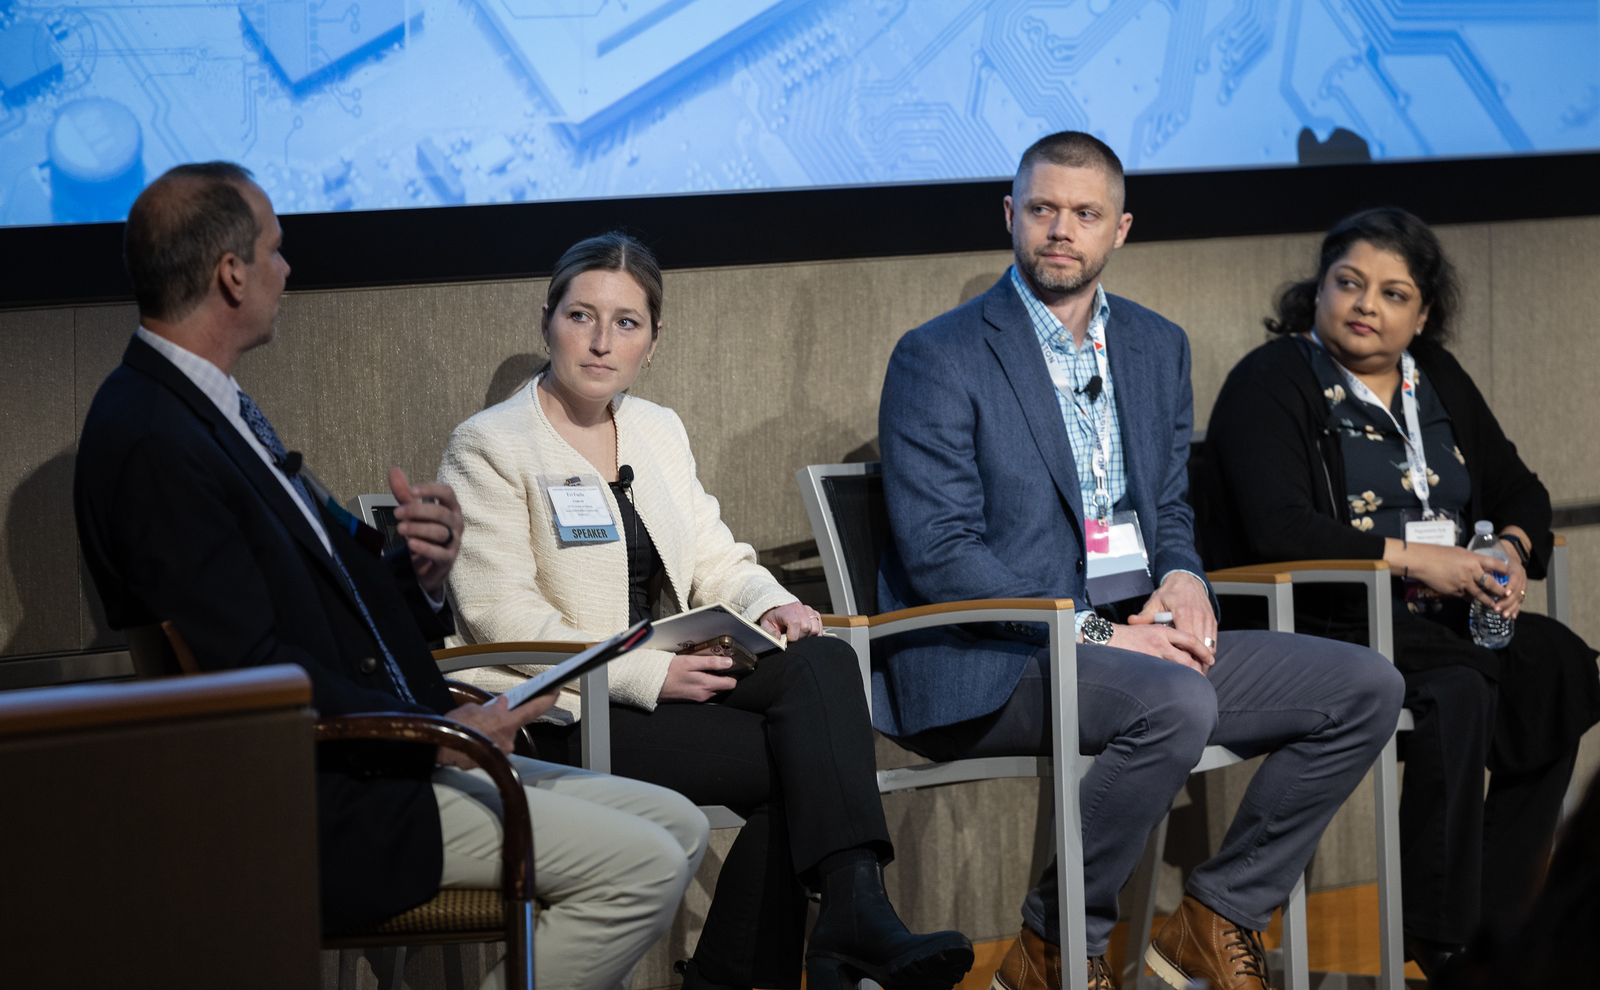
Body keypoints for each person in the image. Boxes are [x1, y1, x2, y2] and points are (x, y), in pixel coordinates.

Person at [74, 163, 710, 990]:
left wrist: (422, 575)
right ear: (231, 272)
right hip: (335, 791)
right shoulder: (155, 437)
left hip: (399, 738)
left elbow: (329, 604)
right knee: (643, 867)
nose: (287, 269)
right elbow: (251, 673)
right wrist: (432, 732)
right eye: (275, 248)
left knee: (677, 820)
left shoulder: (212, 409)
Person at [874, 132, 1406, 990]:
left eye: (1084, 214)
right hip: (997, 655)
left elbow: (1166, 509)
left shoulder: (1157, 346)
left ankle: (1221, 910)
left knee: (1367, 686)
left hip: (1141, 639)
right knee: (1173, 700)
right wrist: (1095, 631)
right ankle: (1059, 949)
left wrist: (1186, 578)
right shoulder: (940, 355)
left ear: (1118, 229)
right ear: (1011, 216)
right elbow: (941, 555)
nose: (1060, 230)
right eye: (1043, 209)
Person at [437, 232, 974, 990]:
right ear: (547, 320)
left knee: (820, 657)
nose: (600, 340)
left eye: (626, 322)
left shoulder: (657, 430)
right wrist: (652, 672)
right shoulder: (489, 444)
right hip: (563, 705)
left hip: (665, 673)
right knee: (802, 763)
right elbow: (502, 618)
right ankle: (811, 941)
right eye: (581, 315)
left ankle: (850, 904)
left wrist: (773, 601)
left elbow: (715, 558)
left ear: (653, 341)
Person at [1200, 207, 1600, 982]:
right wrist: (1417, 561)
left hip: (1444, 610)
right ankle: (1443, 935)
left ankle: (1501, 919)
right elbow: (1278, 527)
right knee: (1458, 685)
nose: (1365, 305)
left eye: (1392, 293)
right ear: (1317, 290)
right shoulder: (1274, 377)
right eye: (1348, 283)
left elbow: (1523, 489)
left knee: (1563, 668)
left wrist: (1510, 549)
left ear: (1422, 313)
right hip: (1328, 611)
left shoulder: (1437, 377)